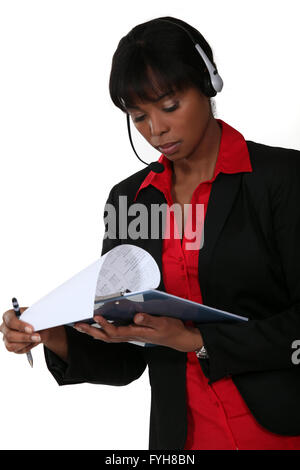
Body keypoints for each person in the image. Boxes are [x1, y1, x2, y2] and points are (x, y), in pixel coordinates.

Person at [1, 16, 300, 450]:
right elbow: (126, 358)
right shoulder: (130, 201)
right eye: (139, 116)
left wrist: (196, 340)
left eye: (170, 106)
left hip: (282, 431)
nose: (155, 130)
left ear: (208, 84)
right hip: (182, 439)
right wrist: (53, 332)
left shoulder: (283, 180)